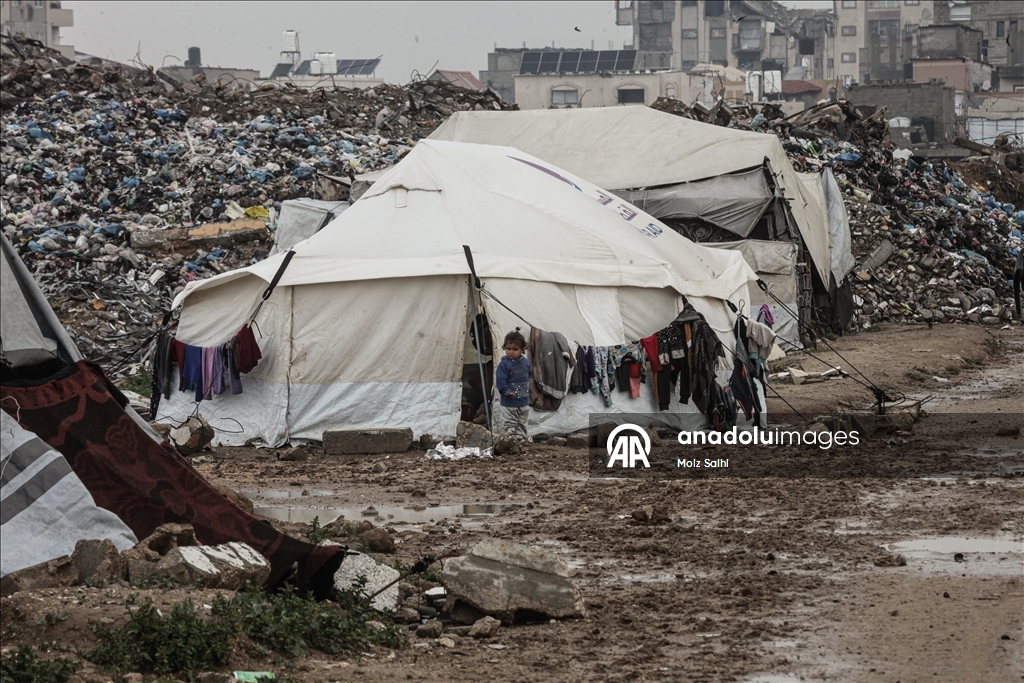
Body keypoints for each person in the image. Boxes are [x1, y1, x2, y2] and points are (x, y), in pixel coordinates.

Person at [495, 329, 531, 442]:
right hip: (509, 401)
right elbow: (500, 381)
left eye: (515, 349)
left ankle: (520, 440)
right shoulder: (504, 365)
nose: (511, 352)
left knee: (522, 422)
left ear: (522, 350)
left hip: (523, 400)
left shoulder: (525, 362)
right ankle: (510, 442)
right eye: (508, 349)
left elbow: (529, 375)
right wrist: (506, 391)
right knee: (510, 422)